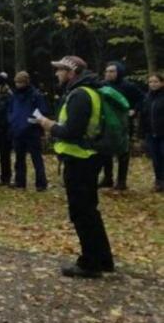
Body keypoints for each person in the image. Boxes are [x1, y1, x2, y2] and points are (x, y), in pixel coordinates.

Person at [37, 55, 114, 278]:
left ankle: (90, 263)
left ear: (71, 72)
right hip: (87, 157)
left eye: (60, 70)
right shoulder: (89, 91)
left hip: (80, 159)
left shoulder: (80, 95)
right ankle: (103, 259)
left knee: (81, 212)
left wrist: (49, 125)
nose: (57, 73)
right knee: (90, 210)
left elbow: (71, 131)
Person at [100, 61, 144, 190]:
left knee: (123, 152)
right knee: (105, 152)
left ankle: (121, 181)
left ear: (119, 72)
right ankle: (107, 178)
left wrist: (134, 110)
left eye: (112, 71)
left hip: (124, 123)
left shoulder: (128, 86)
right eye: (107, 71)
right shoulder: (102, 85)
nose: (108, 74)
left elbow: (142, 99)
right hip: (106, 123)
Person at [8, 72, 49, 191]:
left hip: (32, 131)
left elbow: (42, 111)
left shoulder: (36, 95)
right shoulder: (14, 96)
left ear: (26, 82)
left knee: (36, 158)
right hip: (17, 130)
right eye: (16, 82)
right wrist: (12, 121)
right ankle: (20, 182)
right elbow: (10, 110)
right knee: (19, 159)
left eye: (20, 82)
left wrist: (32, 121)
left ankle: (41, 183)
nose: (18, 84)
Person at [140, 72, 164, 193]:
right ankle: (159, 181)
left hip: (163, 133)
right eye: (150, 82)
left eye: (156, 82)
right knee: (156, 158)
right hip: (151, 133)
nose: (153, 84)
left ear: (162, 83)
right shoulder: (147, 97)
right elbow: (143, 116)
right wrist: (141, 132)